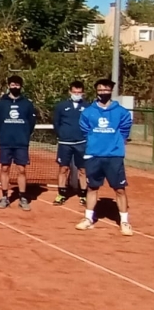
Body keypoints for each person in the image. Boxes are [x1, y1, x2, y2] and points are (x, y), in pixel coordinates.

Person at [76, 79, 133, 236]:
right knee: (92, 187)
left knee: (119, 189)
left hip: (114, 155)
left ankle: (124, 221)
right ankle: (88, 219)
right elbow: (85, 130)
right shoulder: (88, 112)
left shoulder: (121, 112)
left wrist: (115, 144)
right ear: (96, 91)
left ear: (111, 91)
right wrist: (95, 143)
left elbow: (125, 130)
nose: (103, 92)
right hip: (94, 155)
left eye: (106, 90)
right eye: (100, 90)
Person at [0, 75, 37, 210]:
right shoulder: (1, 103)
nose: (15, 87)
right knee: (4, 168)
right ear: (8, 85)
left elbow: (31, 123)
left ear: (21, 86)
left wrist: (23, 134)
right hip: (5, 142)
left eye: (17, 84)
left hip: (21, 142)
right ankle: (5, 197)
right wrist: (5, 133)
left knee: (21, 170)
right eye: (12, 84)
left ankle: (23, 197)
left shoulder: (27, 104)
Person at [52, 80, 88, 206]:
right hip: (64, 143)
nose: (77, 94)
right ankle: (61, 194)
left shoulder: (88, 107)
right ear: (70, 92)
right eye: (74, 92)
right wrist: (61, 134)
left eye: (79, 92)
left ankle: (83, 195)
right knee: (63, 168)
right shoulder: (61, 106)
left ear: (83, 93)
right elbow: (56, 122)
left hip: (81, 143)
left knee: (83, 170)